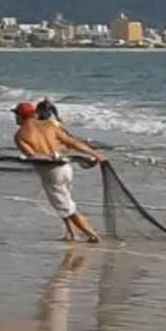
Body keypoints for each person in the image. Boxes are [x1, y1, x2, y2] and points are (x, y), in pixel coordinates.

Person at [16, 97, 103, 243]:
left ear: (19, 116)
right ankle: (72, 233)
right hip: (65, 168)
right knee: (63, 202)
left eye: (16, 115)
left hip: (50, 172)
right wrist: (94, 154)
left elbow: (33, 156)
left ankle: (92, 234)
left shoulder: (20, 135)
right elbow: (73, 143)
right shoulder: (50, 126)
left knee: (66, 206)